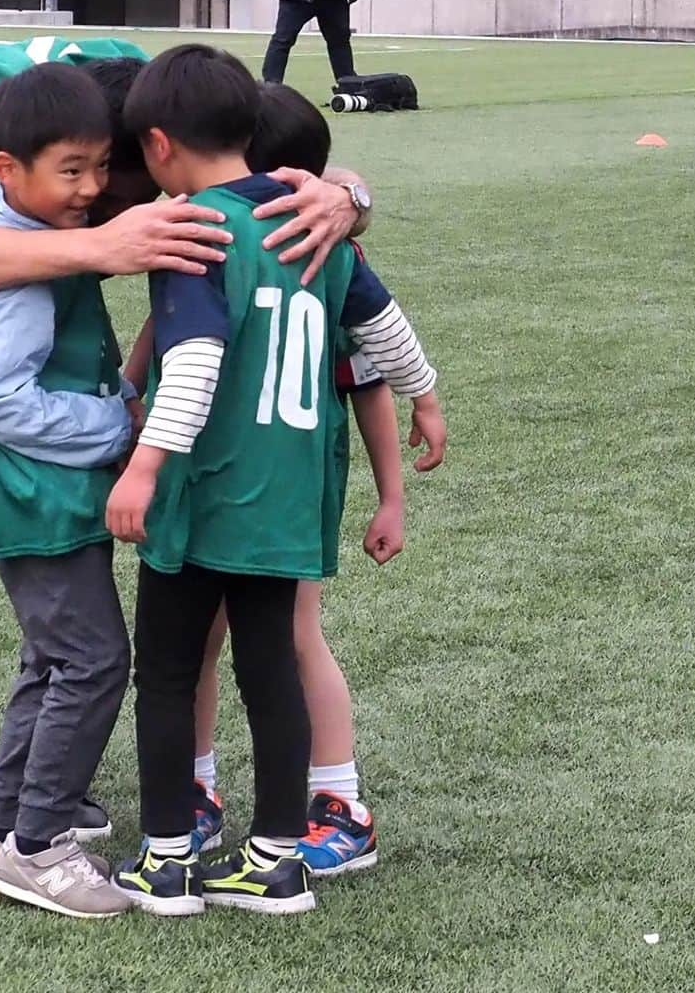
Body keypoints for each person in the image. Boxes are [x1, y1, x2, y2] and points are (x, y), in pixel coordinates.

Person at [0, 32, 380, 842]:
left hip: (55, 264)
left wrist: (350, 199)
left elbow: (279, 160)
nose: (110, 193)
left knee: (69, 507)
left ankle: (42, 765)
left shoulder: (148, 93)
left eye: (112, 181)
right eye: (87, 179)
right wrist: (101, 245)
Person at [106, 46, 439, 917]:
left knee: (171, 675)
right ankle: (277, 860)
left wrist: (143, 468)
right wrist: (426, 395)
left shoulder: (197, 229)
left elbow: (197, 365)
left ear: (158, 144)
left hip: (205, 494)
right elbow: (386, 326)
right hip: (291, 500)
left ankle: (166, 858)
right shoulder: (316, 222)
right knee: (272, 674)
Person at [186, 83, 446, 877]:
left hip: (290, 478)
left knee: (296, 632)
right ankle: (195, 792)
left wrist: (393, 494)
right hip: (208, 471)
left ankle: (339, 802)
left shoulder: (328, 254)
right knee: (199, 635)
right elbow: (167, 329)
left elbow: (366, 375)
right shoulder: (212, 238)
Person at [0, 63, 137, 918]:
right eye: (72, 170)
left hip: (37, 498)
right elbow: (1, 400)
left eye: (101, 166)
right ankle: (41, 846)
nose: (92, 188)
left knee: (50, 660)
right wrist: (120, 429)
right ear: (6, 171)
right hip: (42, 499)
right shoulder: (19, 269)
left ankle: (2, 832)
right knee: (95, 662)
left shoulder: (27, 242)